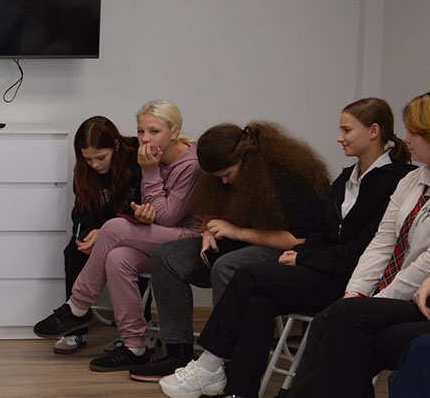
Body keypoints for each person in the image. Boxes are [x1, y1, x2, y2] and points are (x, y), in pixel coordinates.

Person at [155, 98, 415, 398]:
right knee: (257, 303)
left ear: (373, 131)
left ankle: (209, 363)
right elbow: (322, 231)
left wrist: (305, 257)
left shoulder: (394, 181)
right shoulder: (347, 178)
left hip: (352, 280)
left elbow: (363, 249)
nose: (339, 137)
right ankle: (238, 391)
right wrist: (304, 255)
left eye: (346, 130)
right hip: (323, 268)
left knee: (248, 276)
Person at [138, 120, 330, 387]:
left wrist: (237, 231)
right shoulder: (222, 178)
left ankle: (224, 361)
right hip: (239, 240)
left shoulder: (288, 178)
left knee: (228, 266)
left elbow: (299, 239)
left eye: (227, 173)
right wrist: (208, 230)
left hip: (286, 251)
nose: (224, 181)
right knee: (166, 256)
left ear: (246, 160)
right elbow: (211, 212)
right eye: (217, 177)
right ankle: (178, 353)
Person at [278, 92, 430, 398]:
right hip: (393, 293)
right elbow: (382, 243)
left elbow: (425, 263)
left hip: (416, 297)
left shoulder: (394, 176)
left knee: (348, 325)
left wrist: (377, 301)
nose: (405, 138)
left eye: (412, 132)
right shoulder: (412, 180)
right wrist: (356, 292)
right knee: (331, 320)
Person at [33, 100, 203, 371]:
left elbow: (168, 217)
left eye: (154, 131)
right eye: (141, 131)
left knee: (113, 228)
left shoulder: (188, 164)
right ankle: (135, 345)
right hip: (165, 237)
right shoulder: (154, 158)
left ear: (174, 131)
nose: (145, 139)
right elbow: (155, 211)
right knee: (117, 258)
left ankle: (77, 306)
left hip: (190, 240)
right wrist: (144, 213)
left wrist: (149, 172)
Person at [52, 116, 142, 355]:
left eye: (101, 158)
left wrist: (105, 233)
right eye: (88, 158)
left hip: (130, 230)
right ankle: (76, 329)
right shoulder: (84, 170)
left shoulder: (136, 161)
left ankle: (135, 331)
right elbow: (81, 210)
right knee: (74, 252)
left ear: (115, 145)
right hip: (97, 230)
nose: (95, 164)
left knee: (129, 257)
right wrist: (82, 235)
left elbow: (140, 208)